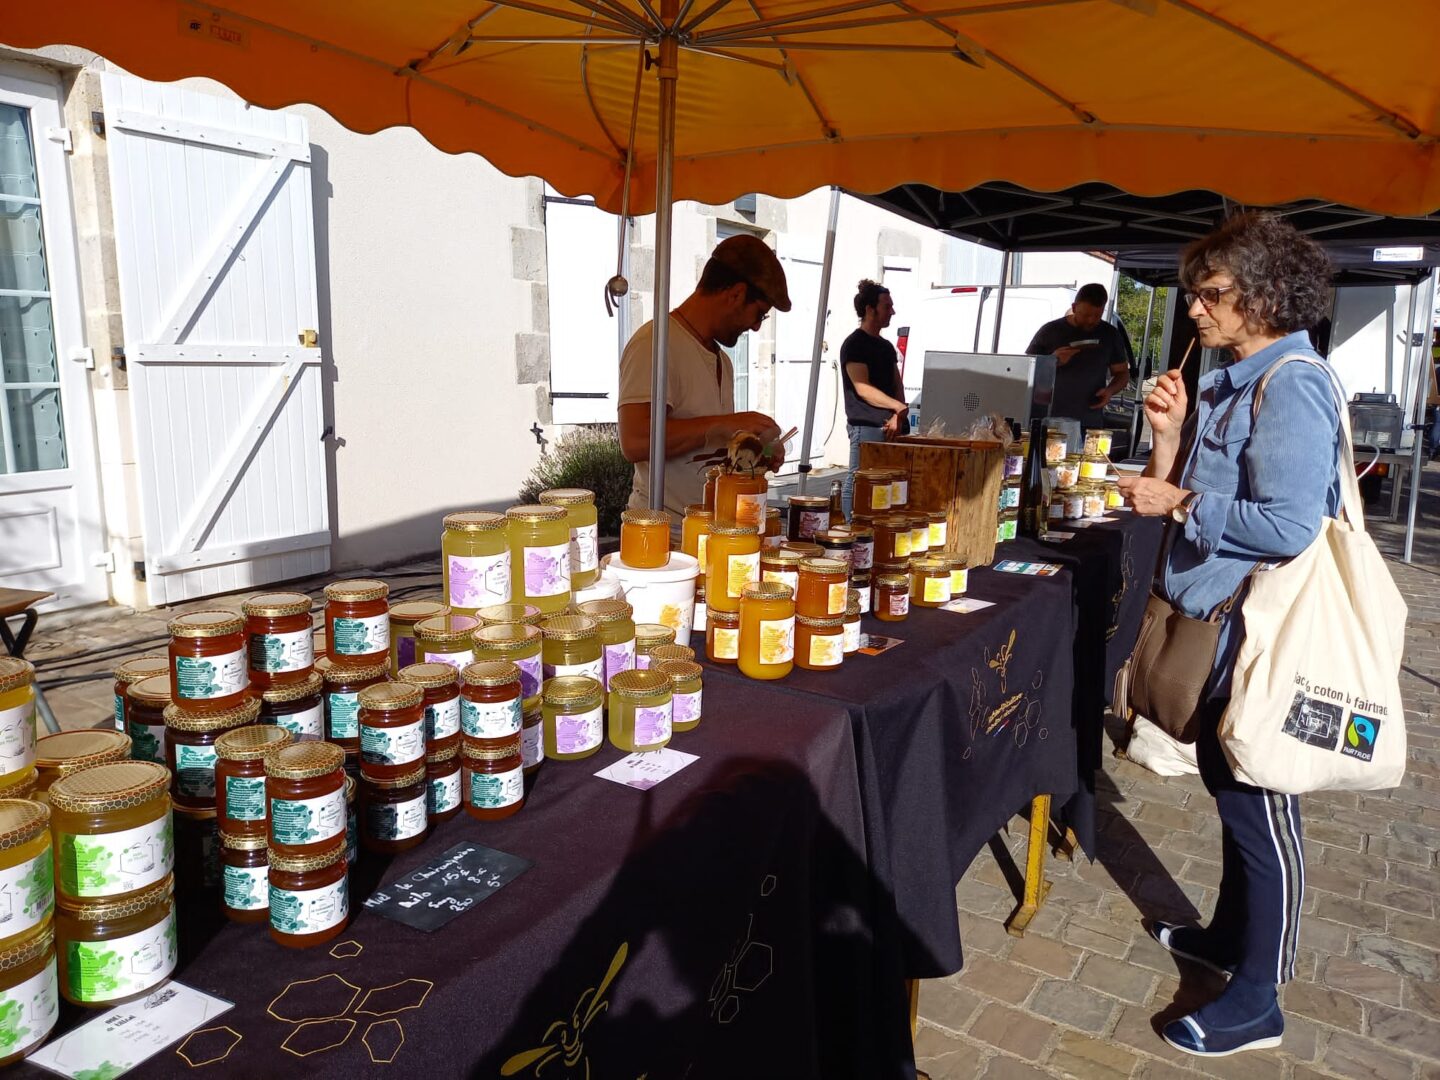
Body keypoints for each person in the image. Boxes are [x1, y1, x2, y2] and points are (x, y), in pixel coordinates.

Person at [1117, 211, 1339, 1058]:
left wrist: (1176, 502)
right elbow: (1183, 483)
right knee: (1226, 778)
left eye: (1212, 295)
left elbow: (1287, 524)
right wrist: (1168, 441)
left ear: (1265, 295)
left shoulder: (1292, 382)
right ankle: (1225, 938)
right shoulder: (1232, 378)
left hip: (1258, 625)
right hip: (1214, 619)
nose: (1197, 312)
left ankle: (1260, 998)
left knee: (1260, 803)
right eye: (1194, 296)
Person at [617, 235, 790, 521]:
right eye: (759, 314)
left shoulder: (722, 360)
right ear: (735, 293)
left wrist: (755, 453)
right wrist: (727, 424)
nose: (757, 327)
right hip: (664, 537)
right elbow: (634, 440)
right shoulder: (655, 343)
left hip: (712, 531)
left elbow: (709, 448)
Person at [1026, 282, 1134, 443]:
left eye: (1096, 316)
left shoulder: (1110, 335)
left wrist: (1110, 391)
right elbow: (1027, 368)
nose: (1090, 321)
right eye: (1085, 315)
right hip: (1049, 421)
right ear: (1074, 307)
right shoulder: (1050, 331)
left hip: (1089, 422)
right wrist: (1053, 360)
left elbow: (1122, 373)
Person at [840, 279, 909, 516]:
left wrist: (899, 413)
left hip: (890, 424)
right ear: (870, 309)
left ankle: (876, 526)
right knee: (859, 478)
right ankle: (850, 527)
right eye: (887, 306)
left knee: (889, 482)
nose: (892, 311)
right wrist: (897, 408)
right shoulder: (855, 344)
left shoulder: (887, 346)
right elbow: (863, 388)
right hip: (866, 424)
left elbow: (896, 382)